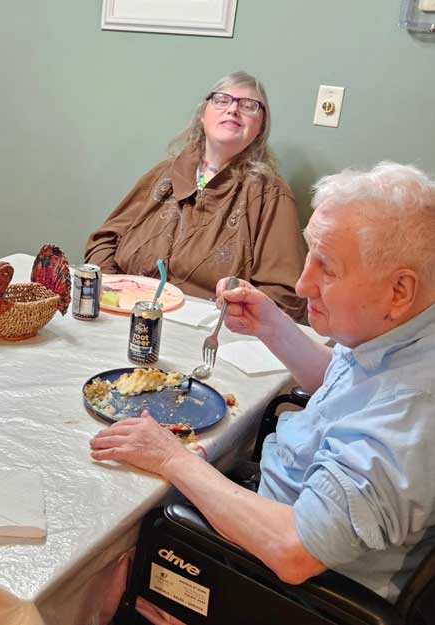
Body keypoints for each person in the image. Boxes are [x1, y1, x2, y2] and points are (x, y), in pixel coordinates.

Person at [90, 162, 435, 623]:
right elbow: (346, 391)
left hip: (282, 590)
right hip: (279, 509)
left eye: (326, 268)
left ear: (399, 291)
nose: (302, 283)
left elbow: (293, 551)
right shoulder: (402, 337)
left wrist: (172, 458)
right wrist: (271, 325)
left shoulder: (411, 411)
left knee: (104, 552)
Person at [84, 71, 306, 320]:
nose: (233, 109)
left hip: (208, 333)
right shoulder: (164, 174)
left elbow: (285, 297)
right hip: (125, 314)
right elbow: (104, 240)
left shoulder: (270, 195)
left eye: (248, 105)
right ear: (203, 114)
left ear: (260, 127)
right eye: (222, 100)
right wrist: (115, 295)